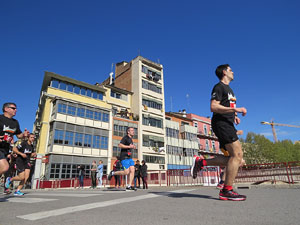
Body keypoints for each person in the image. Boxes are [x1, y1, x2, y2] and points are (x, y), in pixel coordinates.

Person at [191, 64, 247, 201]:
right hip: (221, 124)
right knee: (237, 155)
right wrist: (236, 110)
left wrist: (233, 117)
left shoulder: (230, 90)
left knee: (236, 158)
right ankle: (226, 190)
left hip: (227, 123)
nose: (233, 72)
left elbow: (226, 107)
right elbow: (214, 106)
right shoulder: (219, 87)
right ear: (224, 72)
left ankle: (202, 163)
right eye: (230, 70)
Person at [1, 103, 29, 178]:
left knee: (3, 170)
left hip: (5, 149)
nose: (16, 110)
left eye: (16, 109)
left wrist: (24, 135)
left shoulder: (15, 122)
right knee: (4, 167)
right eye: (13, 108)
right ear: (6, 109)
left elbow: (19, 135)